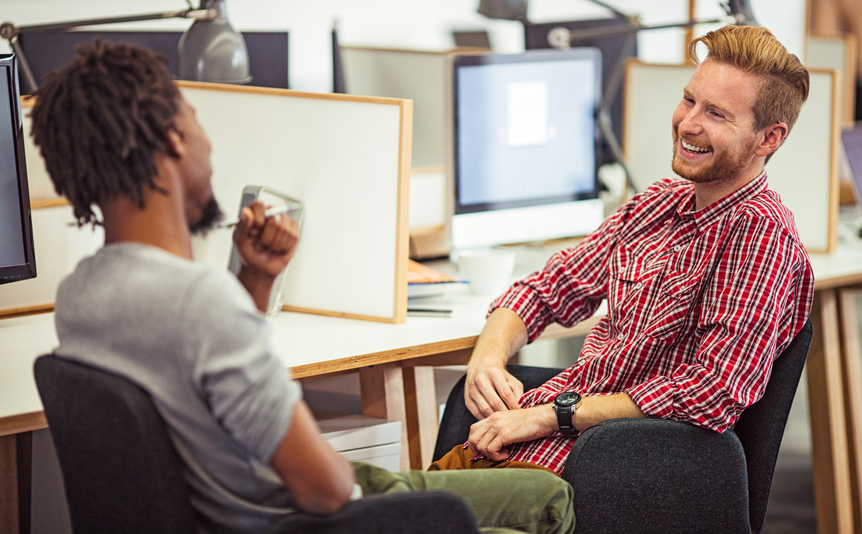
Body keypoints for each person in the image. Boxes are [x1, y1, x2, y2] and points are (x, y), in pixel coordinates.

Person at [30, 42, 575, 534]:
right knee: (549, 502)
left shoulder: (82, 295)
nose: (208, 146)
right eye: (196, 121)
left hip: (230, 504)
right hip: (288, 514)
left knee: (539, 490)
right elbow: (326, 489)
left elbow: (187, 373)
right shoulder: (201, 304)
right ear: (174, 139)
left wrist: (254, 279)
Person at [432, 25, 814, 473]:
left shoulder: (760, 237)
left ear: (768, 139)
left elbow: (711, 390)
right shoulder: (655, 205)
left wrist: (551, 415)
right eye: (689, 100)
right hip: (534, 448)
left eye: (717, 114)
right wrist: (487, 362)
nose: (688, 123)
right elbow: (544, 290)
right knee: (390, 501)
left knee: (389, 506)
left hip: (609, 470)